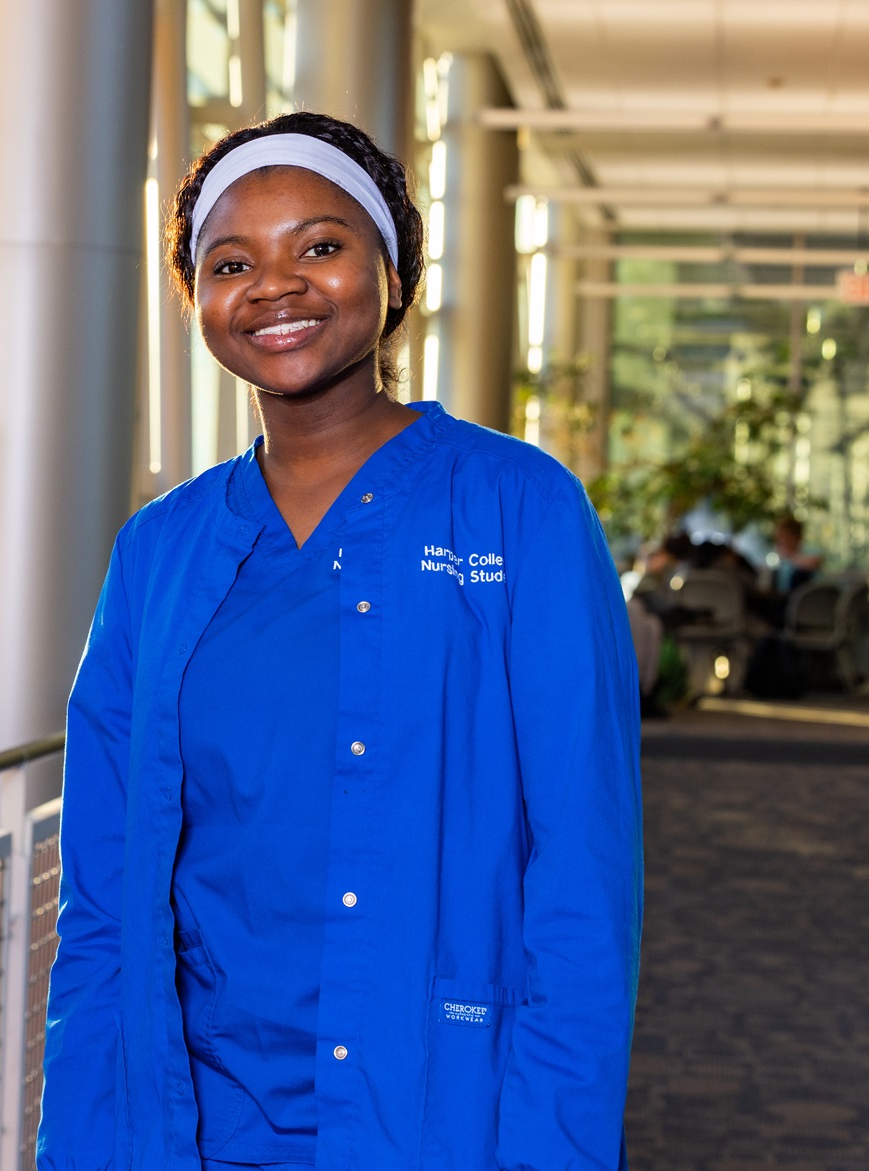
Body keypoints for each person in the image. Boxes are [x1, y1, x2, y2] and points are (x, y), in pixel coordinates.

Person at [37, 112, 642, 1170]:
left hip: (435, 1111)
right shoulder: (160, 551)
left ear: (391, 271)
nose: (277, 285)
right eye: (233, 263)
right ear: (198, 301)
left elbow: (584, 877)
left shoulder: (520, 510)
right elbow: (103, 896)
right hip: (196, 1119)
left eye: (320, 245)